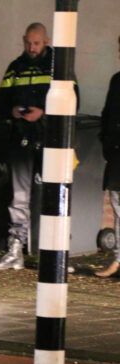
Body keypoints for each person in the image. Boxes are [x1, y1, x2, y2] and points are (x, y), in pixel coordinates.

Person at [0, 22, 78, 270]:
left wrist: (42, 113)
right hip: (21, 140)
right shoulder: (14, 68)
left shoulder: (59, 68)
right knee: (18, 198)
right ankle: (16, 250)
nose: (31, 47)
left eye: (36, 43)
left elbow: (73, 102)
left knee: (56, 197)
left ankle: (57, 256)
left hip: (52, 141)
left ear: (46, 41)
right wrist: (13, 111)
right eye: (28, 42)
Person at [96, 35, 120, 277]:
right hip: (116, 155)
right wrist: (107, 140)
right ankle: (118, 259)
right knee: (118, 206)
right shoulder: (117, 81)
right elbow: (108, 114)